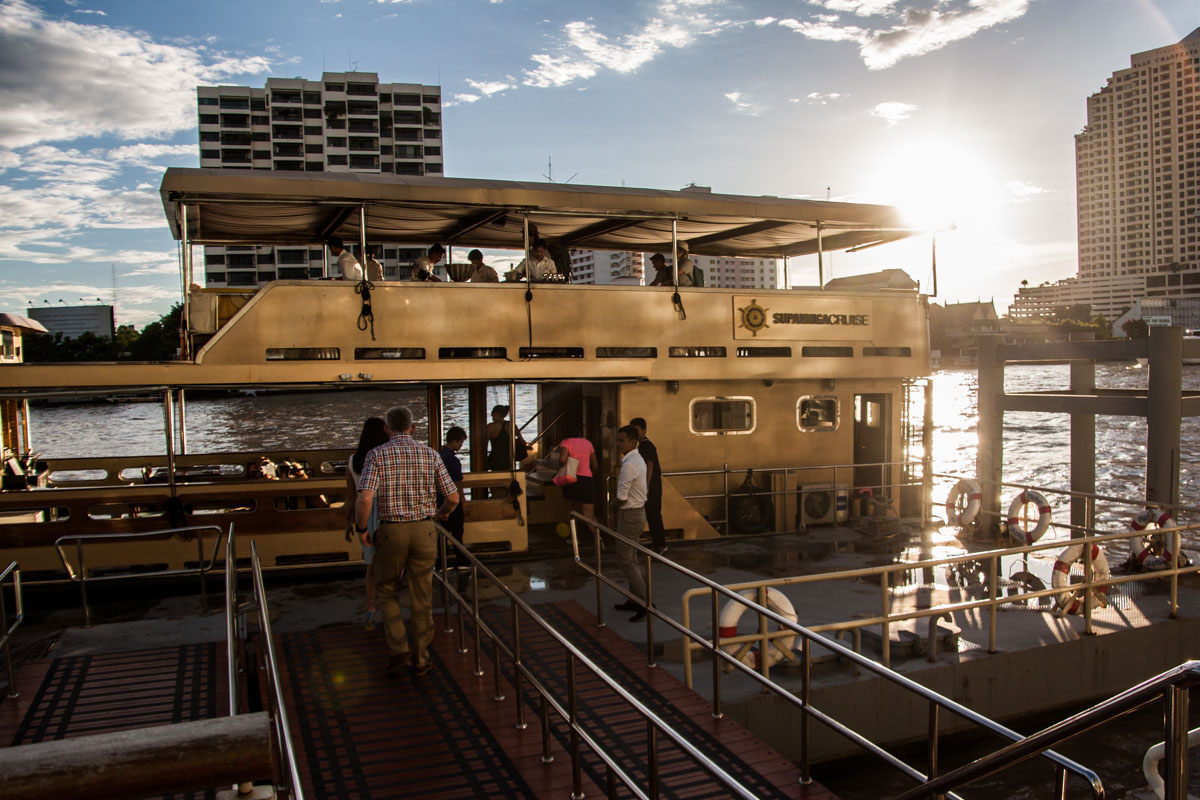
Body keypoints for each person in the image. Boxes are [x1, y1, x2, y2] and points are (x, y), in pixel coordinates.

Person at [355, 406, 459, 678]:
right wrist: (440, 513)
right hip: (424, 529)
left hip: (391, 531)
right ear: (413, 428)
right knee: (421, 597)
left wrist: (362, 528)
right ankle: (422, 658)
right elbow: (453, 497)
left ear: (387, 429)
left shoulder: (376, 454)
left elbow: (365, 498)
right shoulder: (430, 454)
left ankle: (399, 649)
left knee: (387, 590)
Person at [346, 417, 389, 629]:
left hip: (362, 515)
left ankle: (371, 607)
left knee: (371, 565)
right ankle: (389, 607)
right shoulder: (384, 458)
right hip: (385, 512)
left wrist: (349, 522)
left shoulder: (353, 460)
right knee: (390, 564)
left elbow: (350, 496)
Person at [611, 425, 649, 621]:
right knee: (630, 558)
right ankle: (635, 598)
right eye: (617, 440)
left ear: (633, 442)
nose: (618, 444)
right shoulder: (635, 459)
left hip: (630, 515)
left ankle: (643, 602)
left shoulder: (630, 464)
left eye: (622, 440)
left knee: (626, 559)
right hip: (635, 513)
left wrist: (611, 507)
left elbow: (622, 498)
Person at [630, 417, 666, 554]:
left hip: (652, 486)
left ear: (644, 430)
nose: (635, 432)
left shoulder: (646, 446)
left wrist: (645, 485)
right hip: (652, 485)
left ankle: (661, 544)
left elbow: (649, 465)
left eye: (637, 429)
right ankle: (657, 541)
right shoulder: (643, 445)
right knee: (651, 514)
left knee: (654, 514)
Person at [557, 433, 598, 536]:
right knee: (589, 515)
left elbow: (562, 459)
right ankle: (598, 538)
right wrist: (590, 475)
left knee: (571, 511)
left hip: (571, 479)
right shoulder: (588, 443)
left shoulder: (566, 442)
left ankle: (574, 539)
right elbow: (595, 465)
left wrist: (562, 466)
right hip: (586, 480)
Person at [438, 426, 468, 566]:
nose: (461, 446)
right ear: (455, 441)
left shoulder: (437, 456)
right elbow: (457, 483)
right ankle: (461, 561)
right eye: (461, 442)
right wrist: (463, 501)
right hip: (452, 502)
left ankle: (441, 562)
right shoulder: (453, 460)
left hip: (439, 500)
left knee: (441, 534)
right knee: (457, 532)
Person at [485, 404, 525, 472]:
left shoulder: (490, 427)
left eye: (492, 413)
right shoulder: (511, 425)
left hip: (496, 458)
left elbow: (485, 444)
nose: (491, 415)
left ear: (496, 414)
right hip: (510, 458)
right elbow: (522, 441)